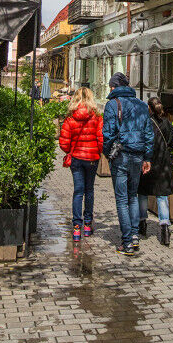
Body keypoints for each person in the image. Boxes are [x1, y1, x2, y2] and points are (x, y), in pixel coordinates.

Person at [102, 71, 154, 256]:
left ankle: (127, 242)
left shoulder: (112, 104)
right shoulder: (141, 105)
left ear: (114, 87)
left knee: (122, 199)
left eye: (111, 86)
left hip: (121, 156)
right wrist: (147, 157)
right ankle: (134, 237)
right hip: (138, 155)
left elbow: (108, 134)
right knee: (133, 196)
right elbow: (149, 133)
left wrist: (107, 153)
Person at [59, 86, 103, 242]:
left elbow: (63, 143)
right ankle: (87, 225)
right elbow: (101, 140)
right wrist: (97, 151)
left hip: (76, 158)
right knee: (89, 190)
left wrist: (71, 149)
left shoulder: (70, 118)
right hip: (92, 158)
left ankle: (76, 227)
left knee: (78, 191)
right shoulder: (97, 117)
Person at [138, 97, 173, 246]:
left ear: (149, 108)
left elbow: (142, 141)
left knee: (142, 193)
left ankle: (142, 223)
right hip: (163, 163)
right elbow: (172, 142)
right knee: (162, 196)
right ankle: (165, 228)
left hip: (148, 162)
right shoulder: (167, 123)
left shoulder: (146, 122)